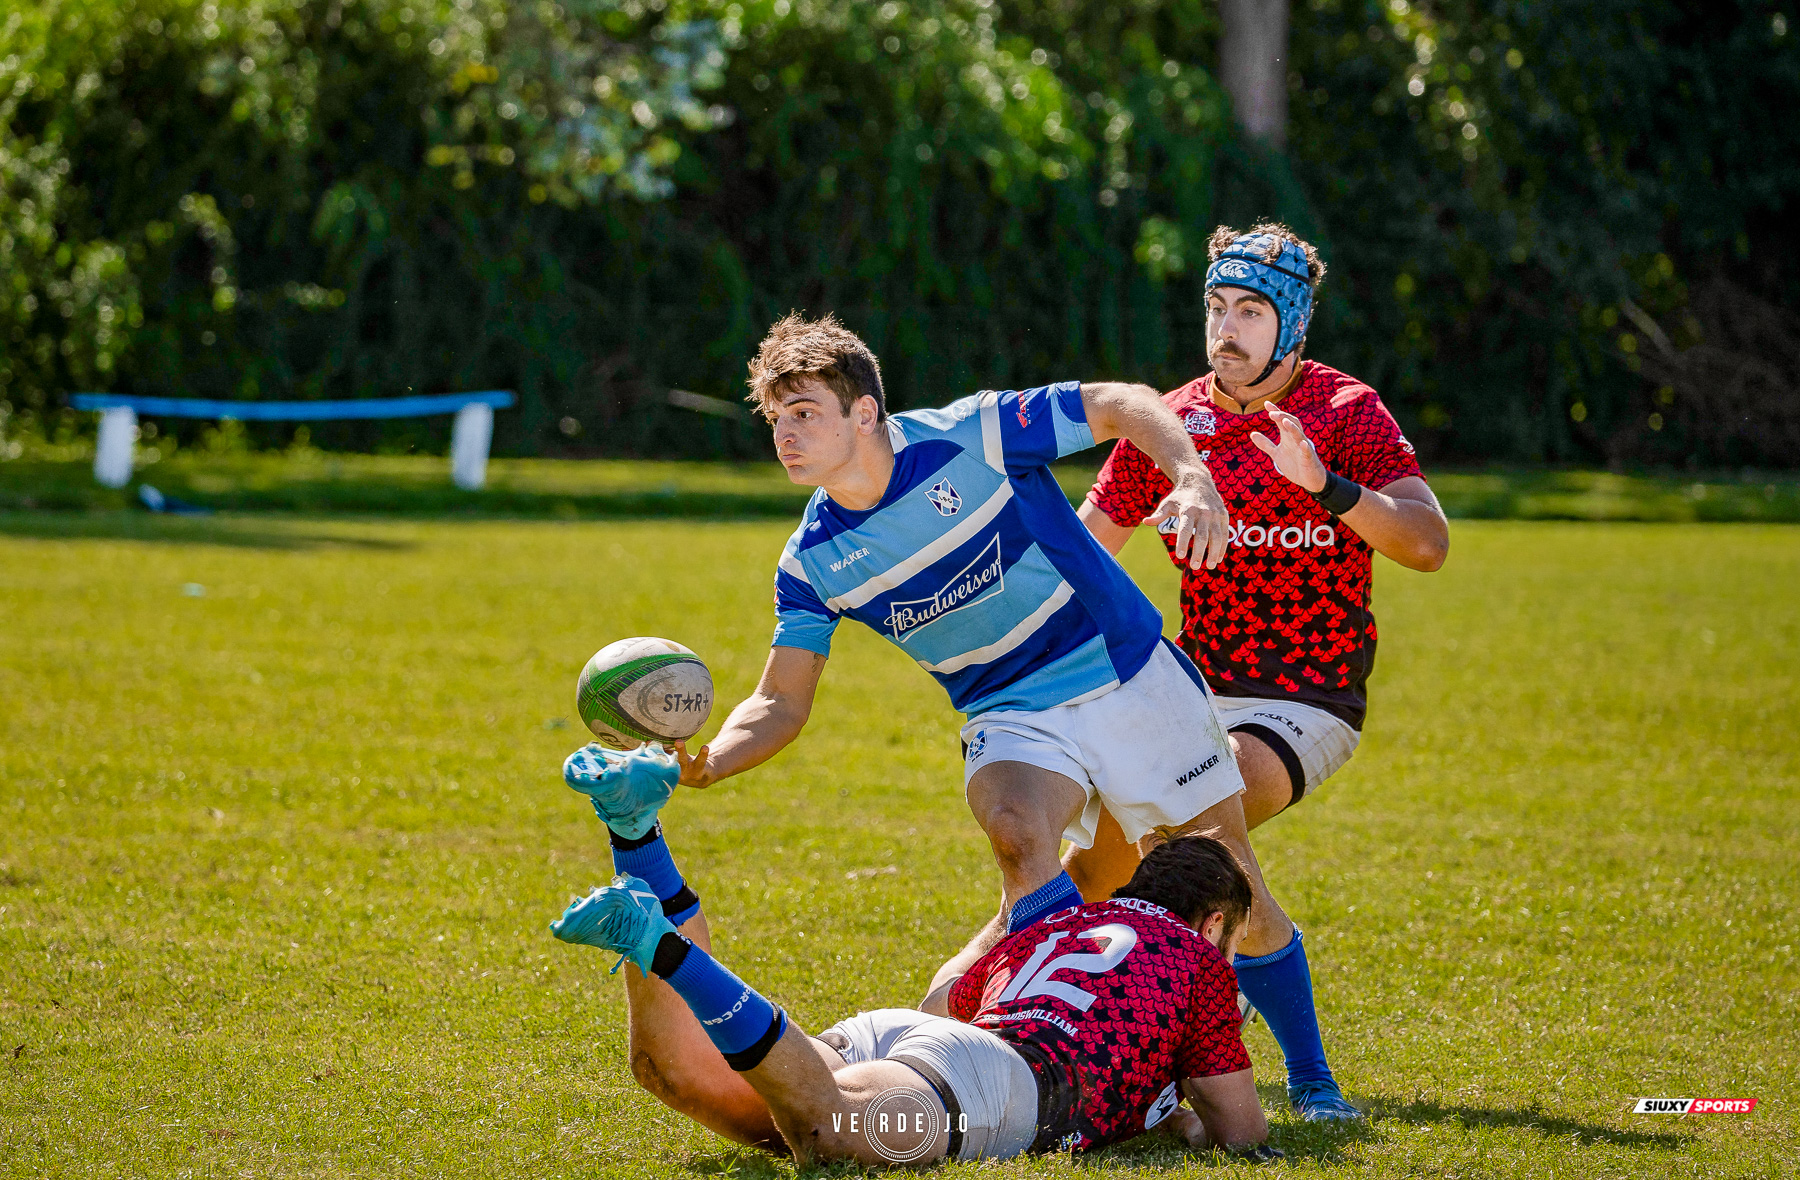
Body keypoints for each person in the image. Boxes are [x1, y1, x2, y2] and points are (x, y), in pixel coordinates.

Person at [1067, 223, 1451, 1119]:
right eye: (1217, 307)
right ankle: (1019, 1018)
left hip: (1307, 700)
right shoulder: (1172, 424)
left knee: (1201, 814)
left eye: (1250, 311)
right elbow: (1085, 555)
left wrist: (1325, 485)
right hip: (1191, 693)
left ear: (1293, 324)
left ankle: (1310, 1079)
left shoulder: (1346, 411)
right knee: (1088, 878)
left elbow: (1427, 544)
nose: (1227, 329)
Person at [551, 745, 1277, 1165]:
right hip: (1001, 1082)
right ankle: (660, 947)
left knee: (684, 1076)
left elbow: (942, 1004)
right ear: (1214, 923)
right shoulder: (1199, 959)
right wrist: (1188, 1107)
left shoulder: (1063, 926)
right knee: (827, 1131)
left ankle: (635, 834)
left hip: (922, 1039)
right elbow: (1241, 1134)